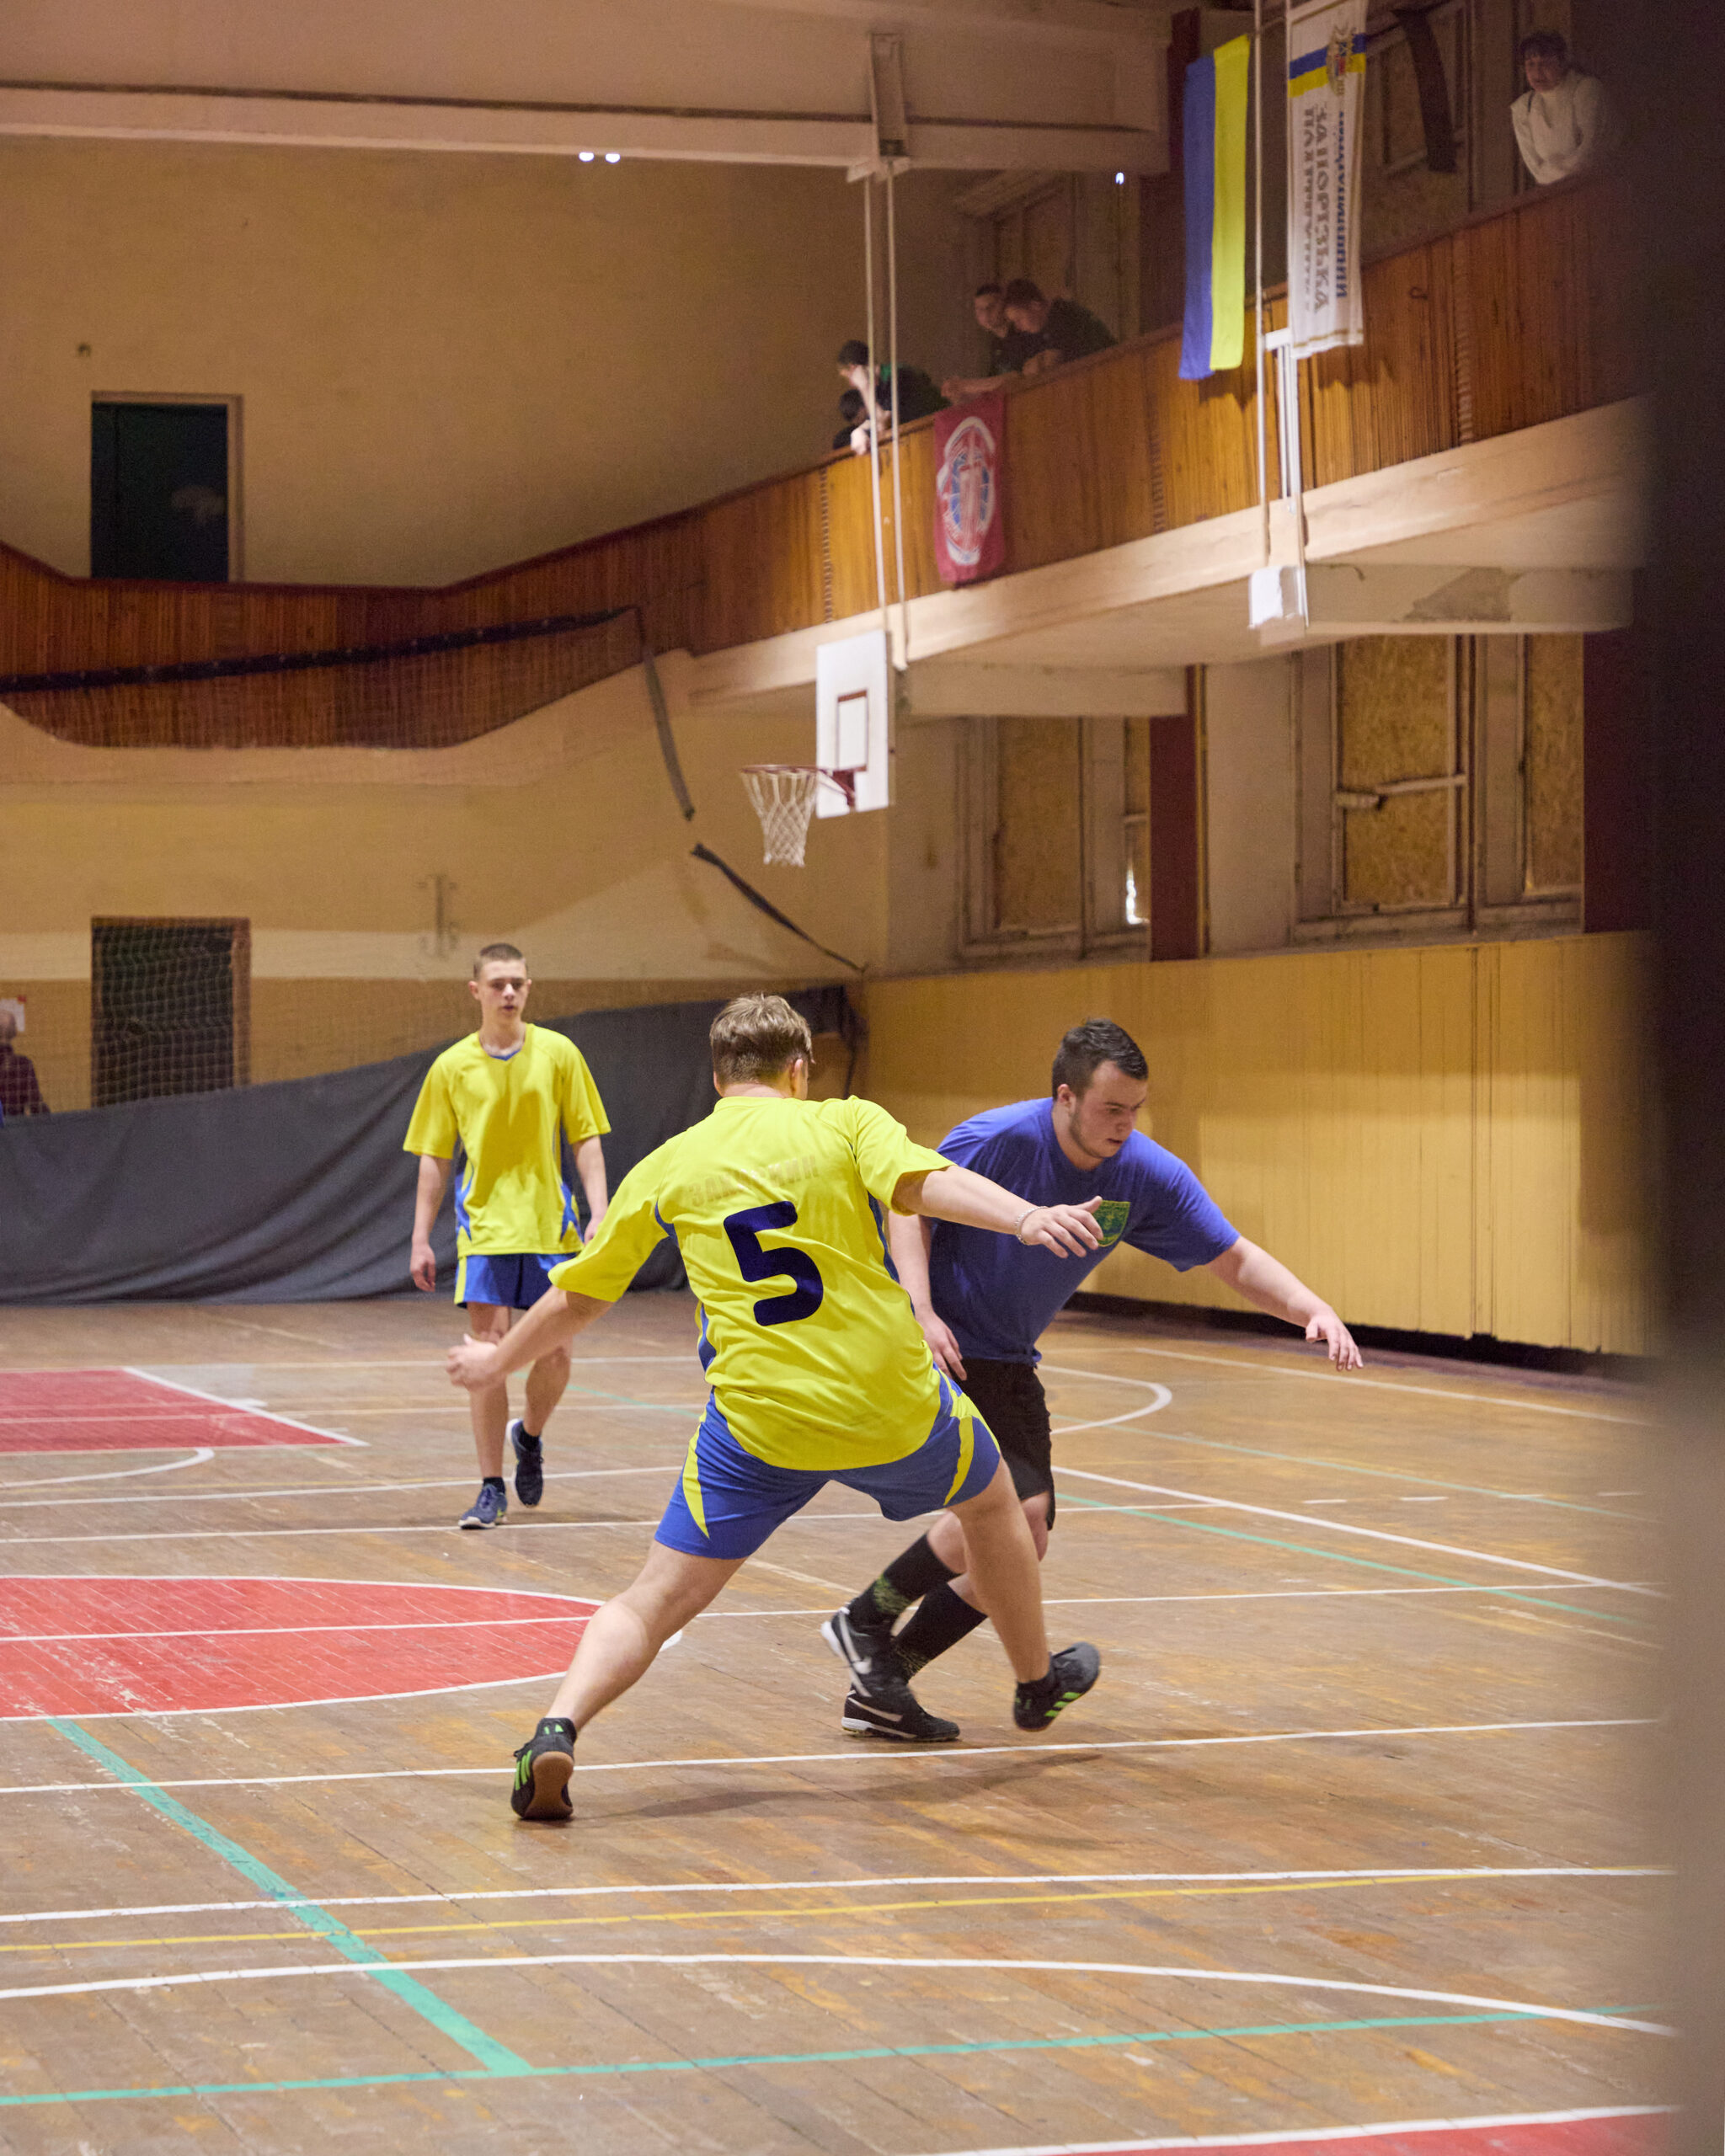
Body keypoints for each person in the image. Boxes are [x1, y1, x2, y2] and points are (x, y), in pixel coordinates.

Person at [446, 993, 1108, 1821]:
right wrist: (1027, 1217)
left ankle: (556, 1727)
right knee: (993, 1501)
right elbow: (926, 1183)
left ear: (719, 1078)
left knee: (653, 1599)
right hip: (889, 1402)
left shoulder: (671, 1163)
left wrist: (495, 1360)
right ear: (799, 1070)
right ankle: (1035, 1682)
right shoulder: (843, 1120)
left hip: (758, 1424)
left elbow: (577, 1298)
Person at [828, 1017, 1362, 1734]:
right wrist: (920, 1311)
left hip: (1008, 1357)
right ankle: (869, 1623)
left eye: (1136, 1109)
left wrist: (1309, 1307)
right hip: (939, 1346)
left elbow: (1232, 1256)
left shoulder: (1146, 1174)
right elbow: (908, 1203)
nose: (1125, 1125)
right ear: (1066, 1098)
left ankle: (883, 1671)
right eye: (1112, 1109)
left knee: (1025, 1541)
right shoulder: (998, 1138)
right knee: (1013, 1519)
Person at [406, 942, 610, 1529]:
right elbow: (433, 1158)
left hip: (551, 1227)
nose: (509, 993)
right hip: (486, 1230)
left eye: (517, 983)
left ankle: (531, 1435)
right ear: (476, 991)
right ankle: (490, 1487)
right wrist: (420, 1237)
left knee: (557, 1352)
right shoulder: (451, 1067)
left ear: (529, 987)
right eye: (497, 984)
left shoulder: (560, 1054)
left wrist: (600, 1211)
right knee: (488, 1354)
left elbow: (586, 1138)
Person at [1511, 31, 1616, 186]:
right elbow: (1536, 170)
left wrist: (1552, 172)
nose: (1537, 72)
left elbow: (1593, 152)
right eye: (1531, 64)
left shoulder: (1586, 90)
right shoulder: (1523, 108)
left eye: (1545, 63)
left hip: (1595, 187)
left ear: (1561, 62)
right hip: (1555, 194)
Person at [836, 339, 948, 456]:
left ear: (854, 368)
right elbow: (874, 421)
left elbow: (884, 424)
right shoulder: (878, 388)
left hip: (936, 441)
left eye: (848, 377)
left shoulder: (900, 376)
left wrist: (864, 387)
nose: (851, 384)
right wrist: (860, 431)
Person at [941, 282, 1039, 404]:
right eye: (980, 310)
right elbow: (992, 384)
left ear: (1004, 305)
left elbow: (1017, 377)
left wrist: (965, 385)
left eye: (991, 307)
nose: (986, 314)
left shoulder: (1023, 332)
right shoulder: (995, 345)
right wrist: (963, 395)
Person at [1002, 279, 1117, 377]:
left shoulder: (1064, 315)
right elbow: (1022, 370)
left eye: (1019, 319)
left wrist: (1039, 362)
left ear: (1035, 306)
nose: (1018, 327)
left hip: (1108, 371)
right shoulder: (1035, 330)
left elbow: (1051, 364)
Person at [0, 1011, 48, 1118]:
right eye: (14, 1025)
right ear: (13, 1032)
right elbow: (34, 1102)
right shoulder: (22, 1064)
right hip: (13, 1124)